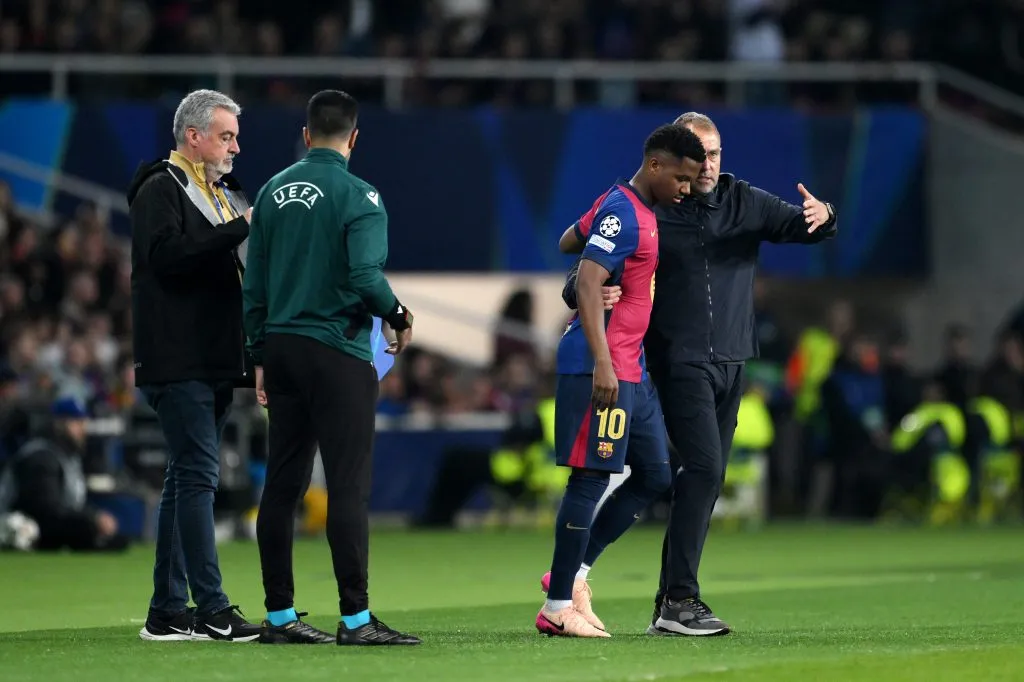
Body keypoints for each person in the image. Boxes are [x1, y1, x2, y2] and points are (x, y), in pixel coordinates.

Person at [562, 112, 838, 636]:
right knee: (704, 469)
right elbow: (582, 270)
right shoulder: (652, 209)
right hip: (678, 359)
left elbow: (806, 228)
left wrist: (824, 215)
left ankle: (661, 600)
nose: (708, 165)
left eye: (714, 154)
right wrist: (590, 289)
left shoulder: (744, 200)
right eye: (699, 156)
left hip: (734, 360)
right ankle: (679, 599)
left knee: (699, 477)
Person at [242, 89, 419, 646]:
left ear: (306, 133)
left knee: (282, 484)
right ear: (354, 137)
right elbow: (365, 277)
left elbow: (254, 284)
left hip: (281, 349)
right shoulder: (360, 195)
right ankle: (356, 620)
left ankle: (279, 617)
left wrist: (259, 355)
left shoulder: (270, 193)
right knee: (347, 485)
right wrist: (397, 314)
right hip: (336, 351)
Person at [535, 124, 707, 638]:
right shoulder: (625, 213)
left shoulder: (628, 207)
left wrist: (605, 272)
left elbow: (570, 239)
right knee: (590, 479)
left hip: (633, 368)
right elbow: (588, 280)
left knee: (655, 475)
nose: (685, 189)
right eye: (680, 178)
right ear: (655, 165)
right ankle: (557, 606)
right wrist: (603, 360)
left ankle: (573, 574)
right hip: (603, 367)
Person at [129, 89, 262, 643]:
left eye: (234, 137)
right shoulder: (161, 187)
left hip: (212, 357)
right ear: (193, 136)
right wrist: (240, 228)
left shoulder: (222, 193)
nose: (235, 147)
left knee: (184, 479)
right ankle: (211, 606)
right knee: (199, 477)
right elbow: (166, 257)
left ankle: (166, 611)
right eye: (225, 136)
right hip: (177, 354)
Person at [0, 396, 127, 552]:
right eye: (77, 423)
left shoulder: (68, 457)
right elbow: (45, 510)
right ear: (59, 424)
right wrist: (91, 520)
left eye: (83, 422)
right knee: (90, 531)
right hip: (17, 529)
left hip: (45, 526)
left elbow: (69, 505)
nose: (83, 429)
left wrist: (94, 517)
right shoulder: (41, 456)